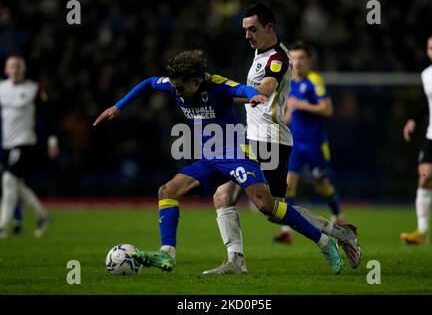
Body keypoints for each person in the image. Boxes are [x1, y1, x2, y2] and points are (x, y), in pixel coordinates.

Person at [94, 50, 346, 274]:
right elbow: (149, 83)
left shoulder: (217, 85)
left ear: (197, 81)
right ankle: (167, 253)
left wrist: (255, 96)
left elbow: (240, 89)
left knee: (266, 206)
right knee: (167, 191)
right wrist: (118, 106)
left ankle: (325, 242)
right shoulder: (173, 85)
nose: (177, 93)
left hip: (237, 154)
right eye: (174, 87)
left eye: (181, 87)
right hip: (210, 159)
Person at [203, 3, 360, 274]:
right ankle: (236, 261)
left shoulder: (277, 57)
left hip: (270, 142)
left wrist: (240, 92)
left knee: (270, 208)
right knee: (224, 197)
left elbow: (267, 85)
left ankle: (336, 236)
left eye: (252, 29)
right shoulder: (259, 52)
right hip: (253, 140)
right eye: (245, 30)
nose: (247, 35)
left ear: (269, 28)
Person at [273, 41, 345, 245]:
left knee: (322, 185)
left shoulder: (315, 81)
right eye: (293, 58)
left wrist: (302, 105)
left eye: (301, 58)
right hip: (295, 142)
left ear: (308, 60)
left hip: (314, 143)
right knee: (289, 184)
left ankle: (338, 215)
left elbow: (327, 109)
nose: (296, 62)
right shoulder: (289, 83)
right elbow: (289, 114)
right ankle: (286, 229)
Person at [0, 56, 58, 238]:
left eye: (18, 67)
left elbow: (47, 116)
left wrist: (52, 140)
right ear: (6, 70)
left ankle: (2, 226)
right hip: (6, 145)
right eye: (12, 67)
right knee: (16, 185)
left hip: (25, 143)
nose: (15, 70)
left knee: (8, 180)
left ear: (23, 70)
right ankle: (43, 215)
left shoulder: (33, 89)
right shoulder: (2, 89)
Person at [400, 33, 432, 245]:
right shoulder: (426, 74)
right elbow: (429, 102)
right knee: (425, 177)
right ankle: (422, 232)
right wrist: (413, 119)